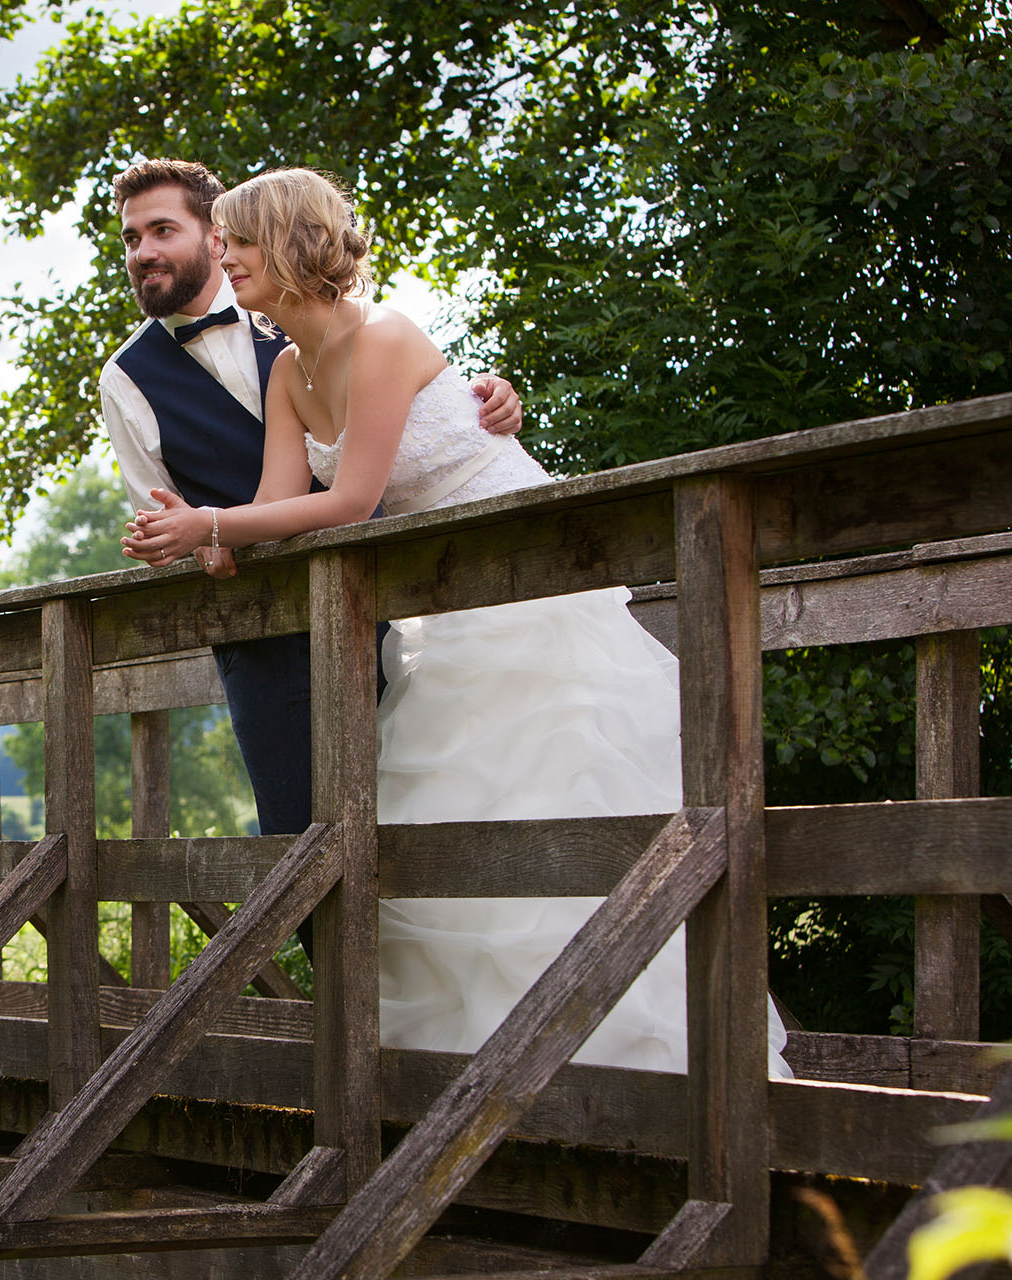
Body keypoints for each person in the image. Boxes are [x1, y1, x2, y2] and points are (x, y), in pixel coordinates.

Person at [123, 167, 788, 1075]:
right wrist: (213, 538)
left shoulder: (388, 333)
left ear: (289, 242)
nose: (226, 254)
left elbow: (352, 500)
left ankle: (652, 1063)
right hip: (444, 606)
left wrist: (207, 524)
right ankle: (483, 1073)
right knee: (444, 817)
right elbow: (276, 502)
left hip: (530, 583)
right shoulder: (285, 371)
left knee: (564, 797)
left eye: (237, 238)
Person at [99, 159, 523, 846]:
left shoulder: (359, 325)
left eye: (163, 229)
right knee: (301, 837)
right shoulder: (139, 378)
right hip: (268, 632)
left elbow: (405, 421)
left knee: (458, 802)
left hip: (416, 595)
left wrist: (487, 399)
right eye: (129, 238)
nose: (143, 251)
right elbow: (196, 511)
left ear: (214, 235)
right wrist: (204, 542)